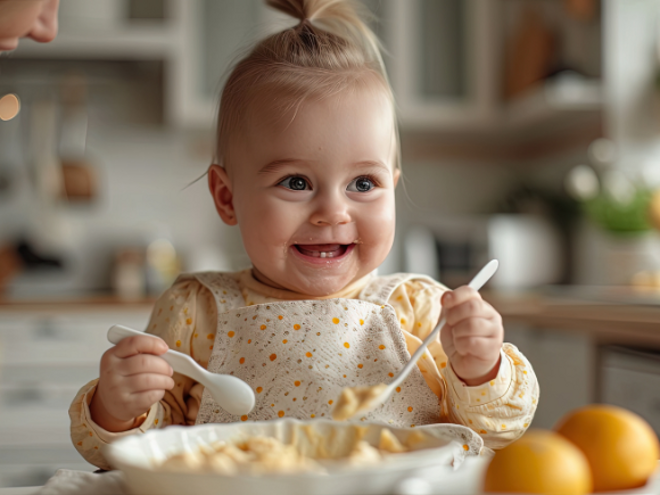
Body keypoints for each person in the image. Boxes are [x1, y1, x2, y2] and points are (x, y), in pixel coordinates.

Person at [70, 0, 539, 469]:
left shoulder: (420, 310)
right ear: (228, 197)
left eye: (363, 184)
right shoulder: (196, 312)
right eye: (296, 182)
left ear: (392, 188)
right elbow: (136, 457)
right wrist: (118, 410)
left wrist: (481, 369)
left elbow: (495, 432)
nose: (332, 212)